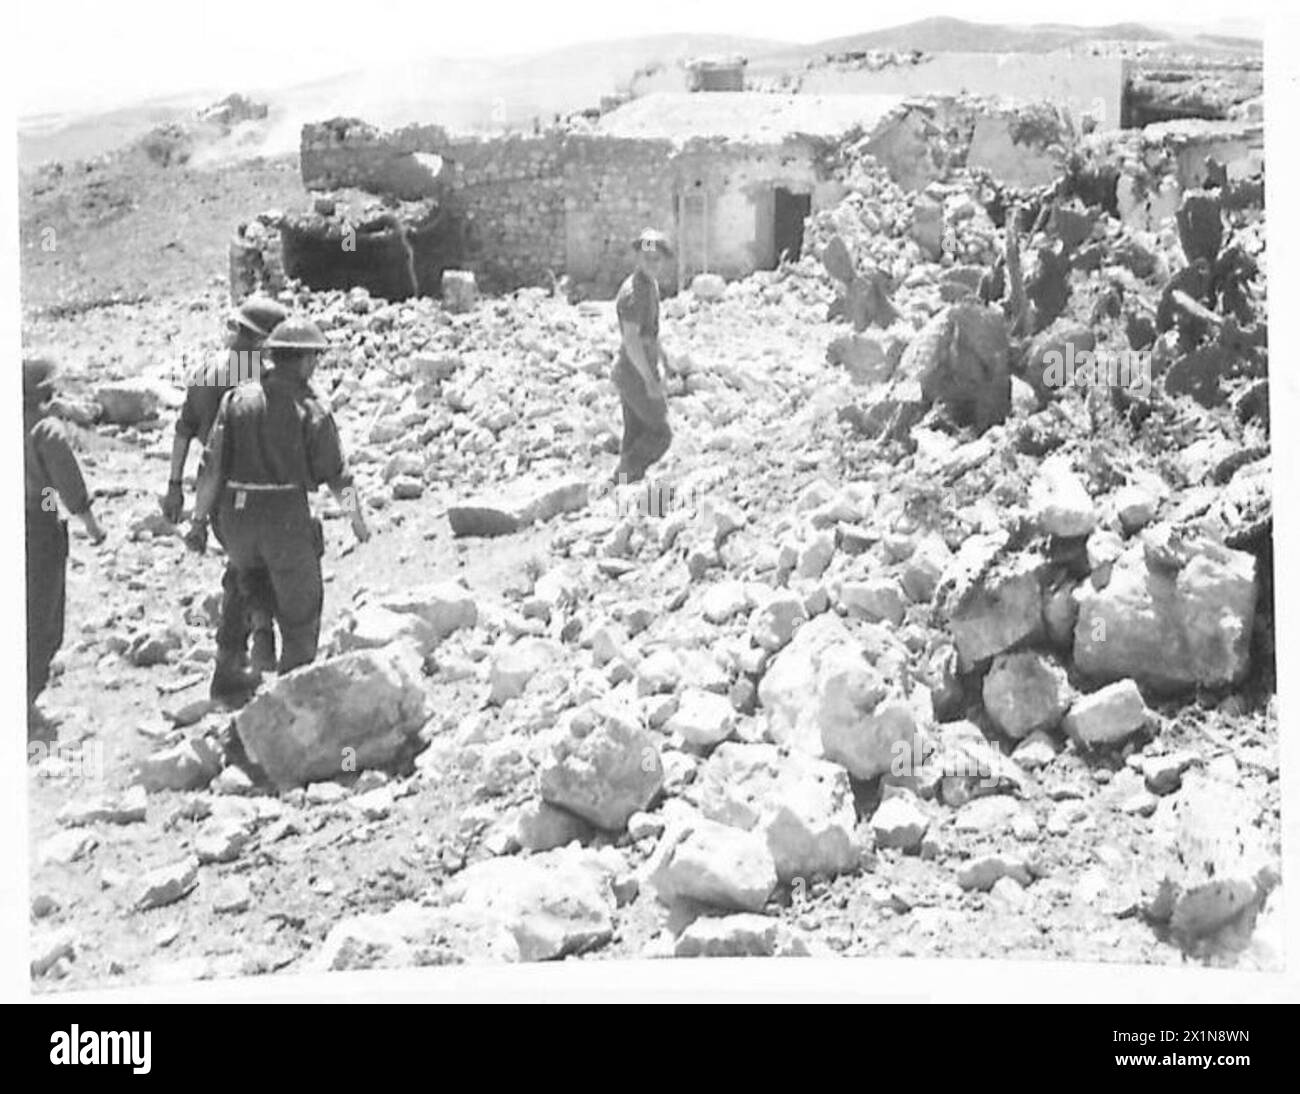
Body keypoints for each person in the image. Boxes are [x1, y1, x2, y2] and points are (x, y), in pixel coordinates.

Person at [186, 318, 369, 690]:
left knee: (242, 580)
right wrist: (357, 521)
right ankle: (292, 694)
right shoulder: (312, 410)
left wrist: (198, 520)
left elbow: (211, 467)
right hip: (284, 517)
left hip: (235, 518)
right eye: (314, 358)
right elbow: (339, 477)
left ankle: (233, 671)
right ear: (304, 361)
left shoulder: (237, 399)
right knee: (301, 609)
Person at [163, 296, 288, 686]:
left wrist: (174, 487)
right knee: (251, 569)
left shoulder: (206, 372)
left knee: (241, 566)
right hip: (254, 489)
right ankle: (249, 646)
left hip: (214, 491)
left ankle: (235, 658)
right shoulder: (260, 381)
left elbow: (183, 432)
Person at [24, 359, 105, 740]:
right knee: (41, 615)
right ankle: (24, 698)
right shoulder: (46, 431)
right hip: (38, 529)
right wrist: (91, 524)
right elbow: (64, 485)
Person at [612, 228, 674, 486]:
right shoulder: (633, 293)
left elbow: (651, 333)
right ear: (638, 258)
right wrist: (649, 379)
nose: (652, 263)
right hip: (633, 372)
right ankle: (623, 475)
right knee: (660, 434)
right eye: (647, 258)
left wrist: (664, 359)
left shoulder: (650, 286)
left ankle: (623, 490)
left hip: (639, 368)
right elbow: (632, 340)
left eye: (656, 258)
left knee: (635, 434)